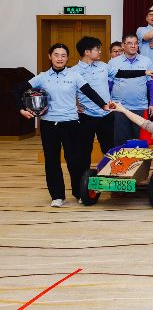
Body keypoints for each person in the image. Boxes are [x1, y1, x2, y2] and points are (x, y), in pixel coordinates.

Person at [17, 43, 111, 206]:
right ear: (50, 56)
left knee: (75, 161)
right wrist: (22, 109)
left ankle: (79, 193)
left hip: (71, 123)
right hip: (48, 124)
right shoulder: (42, 77)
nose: (59, 58)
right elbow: (18, 91)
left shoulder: (75, 75)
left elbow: (89, 92)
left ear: (67, 58)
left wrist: (103, 105)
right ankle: (57, 196)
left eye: (63, 55)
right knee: (51, 161)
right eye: (56, 55)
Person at [109, 34, 153, 147]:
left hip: (140, 107)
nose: (133, 46)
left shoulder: (146, 61)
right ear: (123, 45)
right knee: (121, 143)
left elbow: (152, 84)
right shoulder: (113, 62)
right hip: (119, 108)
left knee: (140, 144)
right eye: (130, 43)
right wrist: (107, 103)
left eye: (136, 43)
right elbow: (108, 85)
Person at [72, 36, 115, 158]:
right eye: (97, 49)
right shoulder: (73, 71)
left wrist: (143, 72)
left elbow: (122, 73)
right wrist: (74, 105)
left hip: (106, 114)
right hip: (86, 116)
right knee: (84, 151)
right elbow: (67, 92)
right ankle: (84, 171)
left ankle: (109, 170)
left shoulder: (103, 66)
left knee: (110, 150)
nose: (100, 51)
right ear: (87, 52)